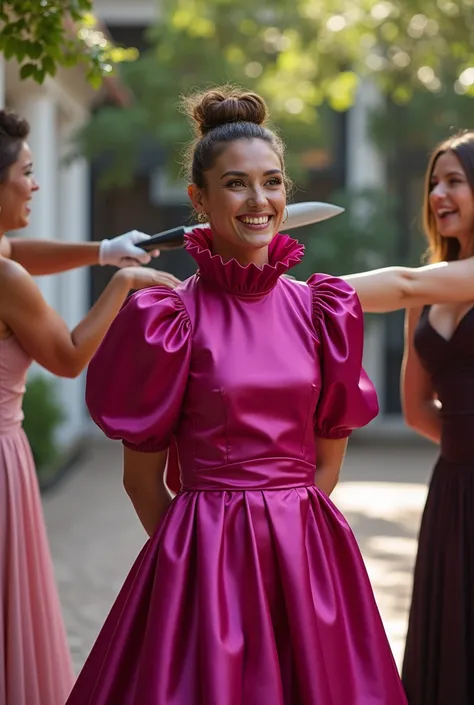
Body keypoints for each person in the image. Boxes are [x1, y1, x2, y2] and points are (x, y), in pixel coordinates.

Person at [66, 86, 407, 705]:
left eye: (273, 182)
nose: (260, 201)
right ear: (198, 199)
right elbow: (142, 482)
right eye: (236, 184)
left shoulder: (323, 311)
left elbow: (326, 463)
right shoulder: (165, 319)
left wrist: (280, 541)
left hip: (307, 561)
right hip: (199, 561)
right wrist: (198, 562)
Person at [0, 108, 180, 705]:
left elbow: (20, 251)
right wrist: (123, 284)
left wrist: (103, 250)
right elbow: (70, 357)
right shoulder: (4, 278)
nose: (36, 184)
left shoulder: (6, 260)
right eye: (26, 171)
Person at [335, 130, 474, 705]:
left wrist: (286, 294)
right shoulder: (430, 289)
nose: (439, 194)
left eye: (455, 181)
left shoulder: (424, 282)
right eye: (433, 183)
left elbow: (402, 281)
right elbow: (416, 409)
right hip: (454, 485)